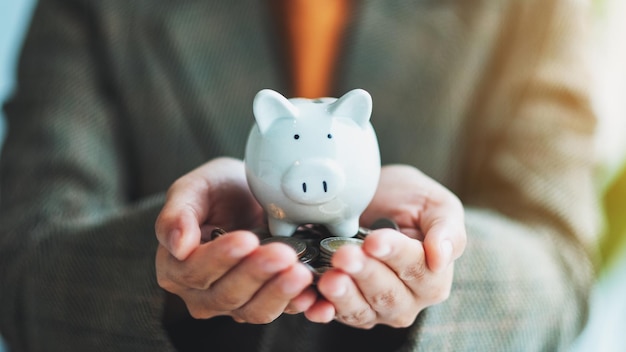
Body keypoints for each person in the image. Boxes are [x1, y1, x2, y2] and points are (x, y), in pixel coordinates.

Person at [0, 0, 599, 351]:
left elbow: (562, 266)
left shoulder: (530, 12)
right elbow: (24, 265)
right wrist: (170, 266)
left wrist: (438, 262)